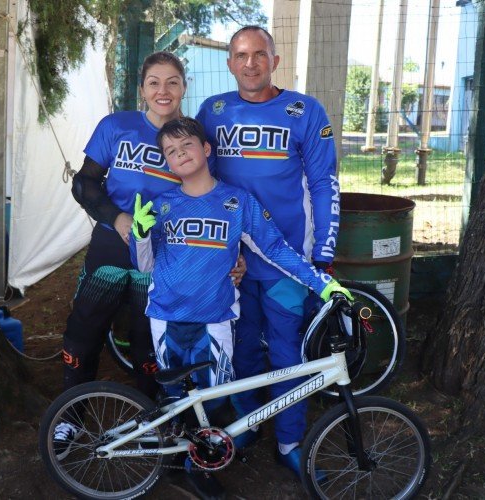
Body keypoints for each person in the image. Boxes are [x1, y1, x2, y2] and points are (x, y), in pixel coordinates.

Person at [129, 117, 351, 500]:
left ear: (206, 149)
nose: (180, 155)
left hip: (215, 319)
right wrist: (140, 234)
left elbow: (276, 250)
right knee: (178, 398)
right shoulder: (161, 206)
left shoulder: (237, 202)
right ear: (166, 162)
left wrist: (321, 280)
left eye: (187, 146)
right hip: (165, 317)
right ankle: (179, 458)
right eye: (171, 152)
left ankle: (196, 466)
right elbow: (144, 266)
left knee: (212, 399)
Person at [56, 52, 245, 447]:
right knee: (83, 333)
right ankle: (70, 417)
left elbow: (215, 201)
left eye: (173, 81)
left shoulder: (193, 138)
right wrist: (119, 219)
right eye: (154, 82)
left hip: (164, 258)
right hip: (110, 248)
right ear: (141, 89)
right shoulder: (116, 126)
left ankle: (152, 422)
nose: (163, 90)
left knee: (149, 345)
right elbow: (84, 183)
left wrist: (232, 255)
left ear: (184, 88)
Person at [195, 26, 341, 475]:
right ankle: (246, 423)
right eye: (241, 55)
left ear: (275, 61)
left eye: (260, 54)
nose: (251, 63)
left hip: (285, 261)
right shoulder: (212, 111)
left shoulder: (305, 111)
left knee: (286, 353)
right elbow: (201, 183)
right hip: (232, 262)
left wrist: (324, 250)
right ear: (230, 62)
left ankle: (290, 439)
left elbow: (324, 184)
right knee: (240, 352)